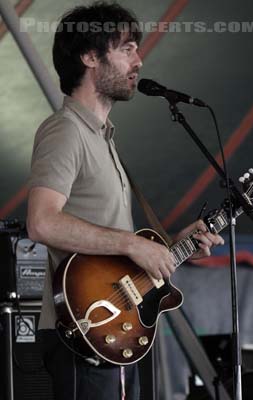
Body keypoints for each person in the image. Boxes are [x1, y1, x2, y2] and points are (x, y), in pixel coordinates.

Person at [26, 3, 224, 399]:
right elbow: (42, 223)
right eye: (128, 48)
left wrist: (170, 248)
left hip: (113, 332)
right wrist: (134, 243)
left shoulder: (105, 139)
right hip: (82, 332)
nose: (139, 60)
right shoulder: (65, 131)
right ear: (90, 56)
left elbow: (110, 250)